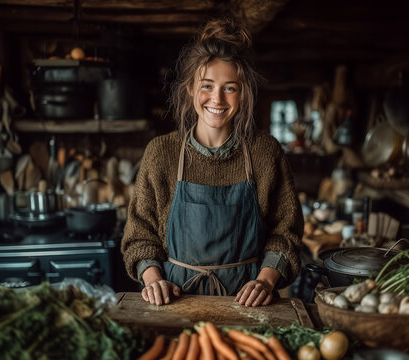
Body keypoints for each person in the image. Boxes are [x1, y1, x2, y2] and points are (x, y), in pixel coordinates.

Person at [121, 16, 304, 307]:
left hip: (248, 306)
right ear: (190, 88)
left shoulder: (265, 152)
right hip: (175, 303)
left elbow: (286, 233)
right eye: (207, 86)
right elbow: (140, 236)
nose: (217, 99)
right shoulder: (161, 153)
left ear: (242, 94)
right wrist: (153, 280)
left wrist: (265, 281)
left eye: (230, 87)